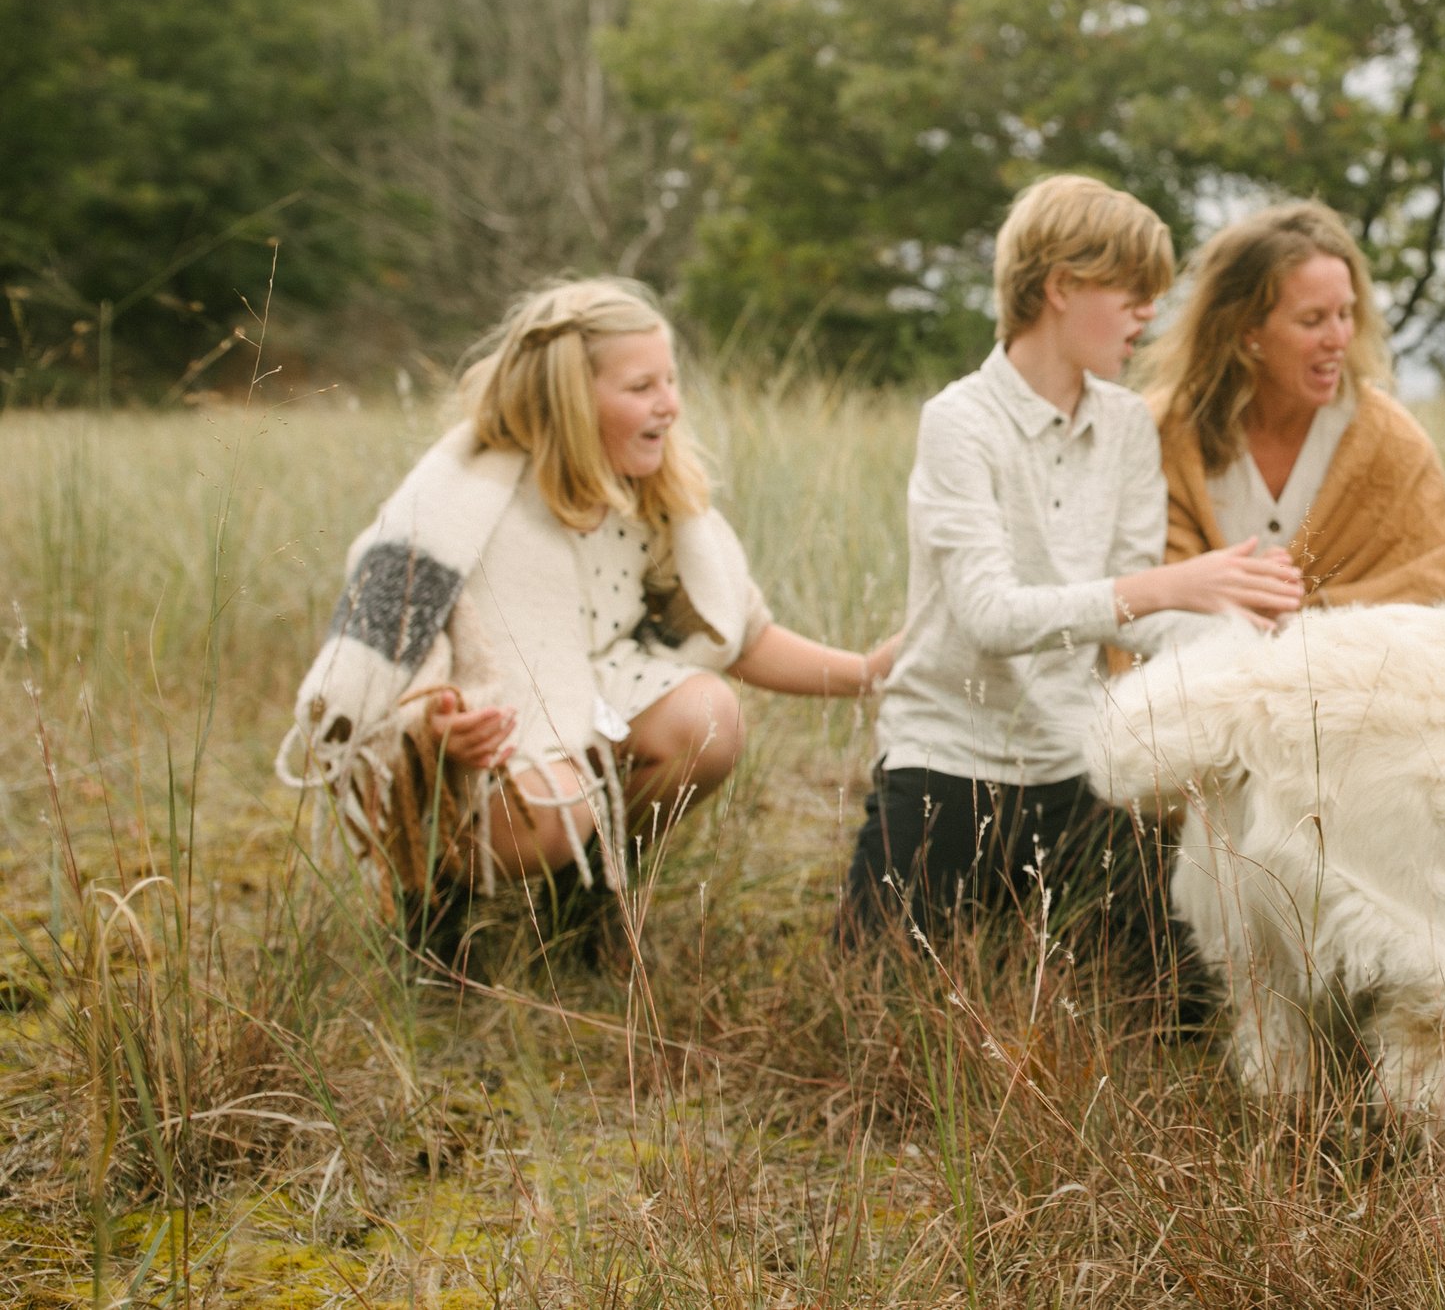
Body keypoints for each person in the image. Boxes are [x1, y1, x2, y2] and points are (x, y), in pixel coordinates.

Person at [282, 278, 895, 965]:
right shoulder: (465, 500)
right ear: (572, 400)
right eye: (642, 387)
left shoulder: (655, 491)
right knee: (557, 811)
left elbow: (741, 635)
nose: (670, 403)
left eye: (671, 379)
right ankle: (436, 895)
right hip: (479, 738)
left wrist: (868, 672)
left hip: (589, 699)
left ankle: (584, 886)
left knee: (710, 717)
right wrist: (438, 728)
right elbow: (383, 665)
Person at [838, 175, 1305, 966]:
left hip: (1073, 769)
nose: (1148, 313)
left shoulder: (1126, 423)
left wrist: (1244, 622)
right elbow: (992, 614)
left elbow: (1143, 611)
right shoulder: (957, 421)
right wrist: (1168, 584)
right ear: (1060, 286)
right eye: (1132, 291)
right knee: (873, 998)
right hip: (945, 759)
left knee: (1178, 1002)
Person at [1141, 201, 1445, 609]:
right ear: (1246, 331)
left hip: (1353, 666)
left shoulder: (1387, 440)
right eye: (1312, 320)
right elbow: (1135, 590)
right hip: (1194, 667)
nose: (1338, 338)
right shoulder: (1164, 435)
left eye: (1346, 314)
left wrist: (1309, 616)